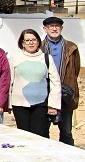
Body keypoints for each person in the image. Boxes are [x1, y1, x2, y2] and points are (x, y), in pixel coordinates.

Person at [9, 29, 60, 138]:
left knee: (38, 135)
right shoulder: (15, 57)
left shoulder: (47, 58)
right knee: (23, 135)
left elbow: (55, 82)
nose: (30, 43)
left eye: (33, 40)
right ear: (22, 43)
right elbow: (9, 81)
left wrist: (53, 105)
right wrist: (9, 104)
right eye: (27, 40)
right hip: (19, 103)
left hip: (41, 104)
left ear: (38, 42)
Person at [41, 16, 80, 145]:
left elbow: (76, 69)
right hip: (45, 93)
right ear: (45, 29)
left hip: (65, 93)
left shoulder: (71, 47)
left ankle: (69, 158)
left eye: (57, 26)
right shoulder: (39, 47)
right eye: (51, 26)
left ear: (61, 28)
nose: (54, 28)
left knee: (66, 132)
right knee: (43, 130)